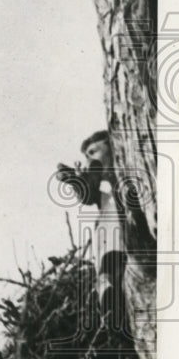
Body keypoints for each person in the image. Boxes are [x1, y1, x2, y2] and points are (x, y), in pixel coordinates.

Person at [56, 130, 127, 323]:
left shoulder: (126, 165)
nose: (90, 160)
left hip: (126, 229)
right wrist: (72, 178)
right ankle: (109, 302)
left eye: (94, 151)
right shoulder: (98, 174)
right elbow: (87, 194)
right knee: (109, 270)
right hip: (112, 234)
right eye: (87, 156)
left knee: (113, 268)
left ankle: (110, 299)